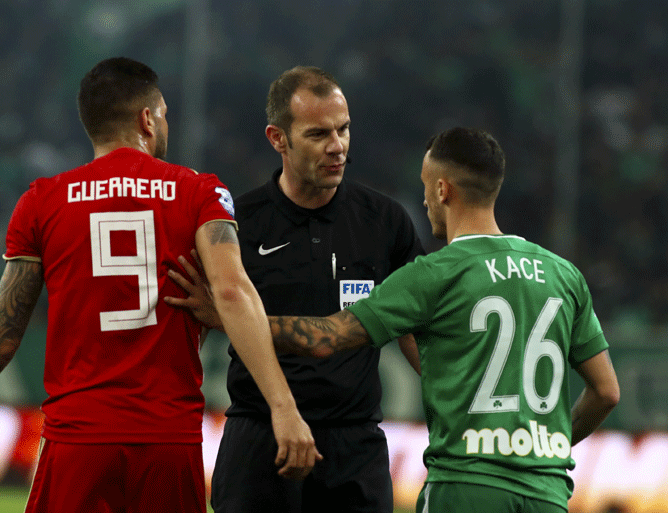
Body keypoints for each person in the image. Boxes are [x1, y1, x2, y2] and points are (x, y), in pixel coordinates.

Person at [0, 57, 321, 513]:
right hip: (167, 442)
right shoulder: (200, 192)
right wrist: (283, 407)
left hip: (77, 443)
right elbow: (233, 291)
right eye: (164, 114)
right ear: (147, 119)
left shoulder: (42, 201)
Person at [261, 127, 620, 512]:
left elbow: (325, 337)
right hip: (546, 493)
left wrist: (236, 318)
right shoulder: (563, 275)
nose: (424, 199)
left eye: (425, 186)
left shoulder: (434, 274)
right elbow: (606, 393)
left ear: (442, 190)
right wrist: (549, 447)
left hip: (464, 486)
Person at [166, 66, 426, 513]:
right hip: (258, 437)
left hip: (354, 446)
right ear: (278, 139)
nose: (337, 146)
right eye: (318, 134)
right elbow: (192, 336)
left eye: (343, 129)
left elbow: (415, 332)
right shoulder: (235, 225)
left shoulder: (385, 221)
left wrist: (455, 408)